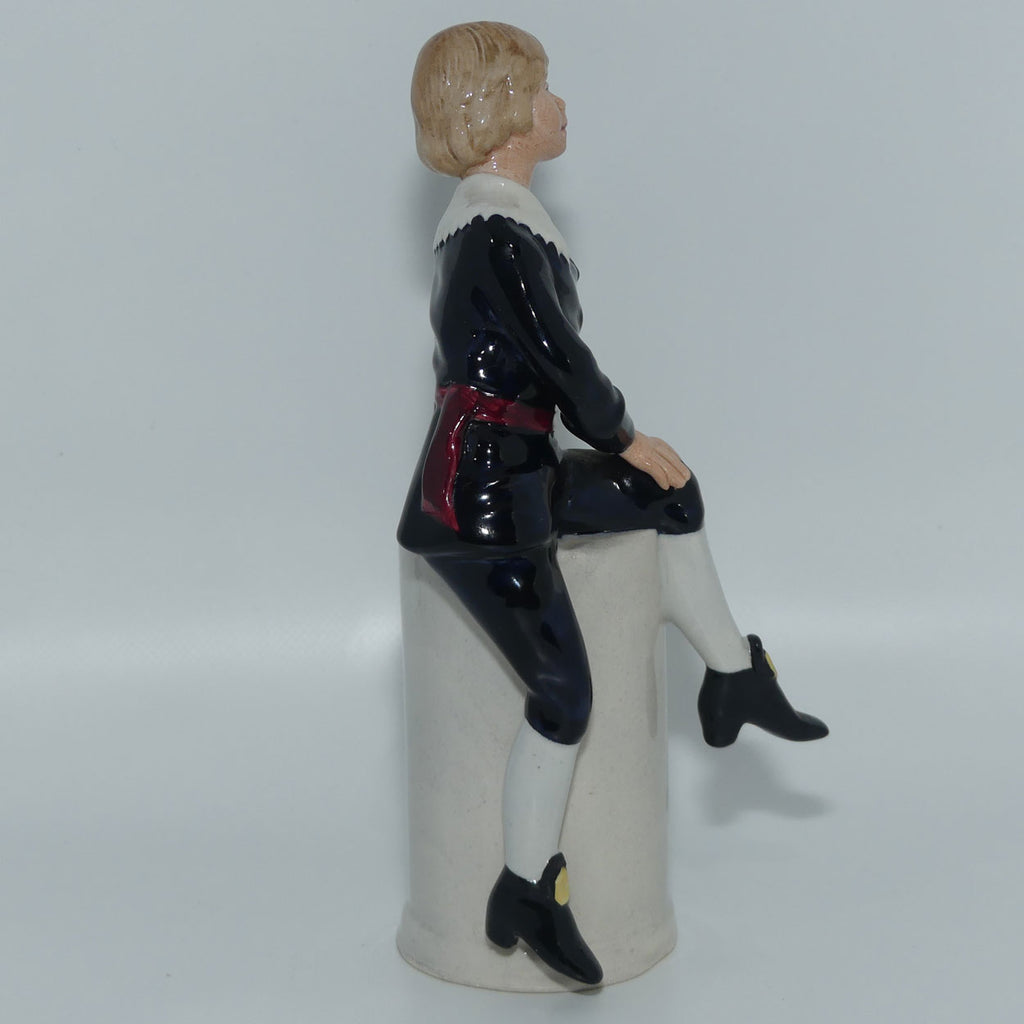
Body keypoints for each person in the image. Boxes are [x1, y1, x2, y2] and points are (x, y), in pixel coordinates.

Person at [397, 21, 827, 987]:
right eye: (544, 88)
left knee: (669, 492)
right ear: (503, 111)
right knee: (564, 697)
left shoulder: (503, 224)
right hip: (477, 504)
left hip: (525, 472)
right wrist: (620, 432)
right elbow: (561, 358)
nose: (560, 105)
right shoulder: (493, 232)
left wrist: (627, 455)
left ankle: (734, 675)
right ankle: (524, 887)